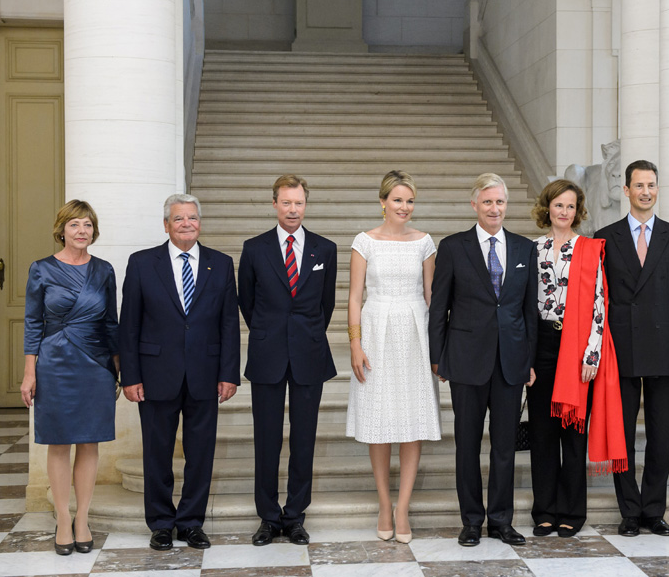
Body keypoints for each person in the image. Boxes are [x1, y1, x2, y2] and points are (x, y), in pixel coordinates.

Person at [119, 194, 240, 551]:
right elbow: (129, 325)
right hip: (155, 374)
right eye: (178, 219)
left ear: (200, 222)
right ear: (166, 225)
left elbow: (229, 324)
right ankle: (160, 523)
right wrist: (130, 376)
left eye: (192, 218)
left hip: (205, 372)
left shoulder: (220, 264)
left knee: (200, 453)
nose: (186, 224)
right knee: (157, 452)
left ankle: (191, 522)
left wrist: (229, 373)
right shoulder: (142, 263)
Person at [428, 172, 538, 548]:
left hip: (510, 362)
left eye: (501, 202)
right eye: (488, 202)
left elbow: (528, 312)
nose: (495, 208)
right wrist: (437, 357)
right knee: (468, 444)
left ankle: (501, 521)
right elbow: (439, 307)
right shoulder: (454, 247)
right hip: (465, 360)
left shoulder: (525, 249)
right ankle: (472, 521)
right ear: (474, 205)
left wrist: (529, 361)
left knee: (505, 445)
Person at [595, 159, 669, 537]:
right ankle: (629, 511)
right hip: (619, 350)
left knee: (659, 435)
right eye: (639, 186)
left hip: (664, 349)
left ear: (657, 188)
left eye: (651, 185)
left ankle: (654, 510)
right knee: (621, 436)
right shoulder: (605, 236)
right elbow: (598, 300)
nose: (646, 192)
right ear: (626, 190)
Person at [239, 175, 338, 547]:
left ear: (305, 205)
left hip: (309, 354)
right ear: (275, 204)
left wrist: (304, 334)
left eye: (298, 203)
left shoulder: (325, 249)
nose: (292, 209)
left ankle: (295, 516)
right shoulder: (254, 248)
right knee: (266, 439)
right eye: (286, 203)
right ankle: (267, 517)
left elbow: (325, 305)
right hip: (267, 354)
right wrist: (269, 333)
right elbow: (246, 301)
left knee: (304, 439)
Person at [528, 179, 627, 538]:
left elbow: (601, 302)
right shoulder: (532, 250)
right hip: (540, 346)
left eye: (570, 206)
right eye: (558, 205)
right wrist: (525, 356)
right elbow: (525, 307)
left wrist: (592, 353)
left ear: (577, 211)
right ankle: (544, 511)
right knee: (541, 434)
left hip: (576, 347)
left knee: (572, 435)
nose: (564, 212)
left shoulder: (589, 248)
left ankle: (572, 511)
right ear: (547, 208)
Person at [346, 170, 441, 544]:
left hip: (415, 330)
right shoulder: (364, 241)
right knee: (380, 420)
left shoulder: (425, 242)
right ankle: (384, 504)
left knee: (412, 420)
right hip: (376, 330)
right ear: (383, 201)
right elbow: (355, 297)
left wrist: (439, 346)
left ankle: (403, 507)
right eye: (398, 200)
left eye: (410, 200)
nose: (404, 207)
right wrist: (355, 343)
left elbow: (432, 295)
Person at [22, 200, 118, 556]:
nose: (82, 231)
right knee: (59, 442)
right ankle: (63, 518)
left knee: (89, 442)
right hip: (55, 362)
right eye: (75, 225)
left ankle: (83, 519)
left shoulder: (105, 270)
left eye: (88, 225)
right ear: (62, 229)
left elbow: (112, 323)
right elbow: (33, 323)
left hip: (95, 364)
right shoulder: (42, 269)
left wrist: (119, 370)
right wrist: (29, 373)